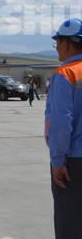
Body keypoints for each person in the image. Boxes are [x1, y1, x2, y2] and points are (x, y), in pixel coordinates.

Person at [46, 18, 82, 238]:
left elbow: (60, 122)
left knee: (70, 223)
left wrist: (58, 161)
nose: (57, 48)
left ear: (66, 43)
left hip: (74, 162)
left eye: (57, 43)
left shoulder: (65, 73)